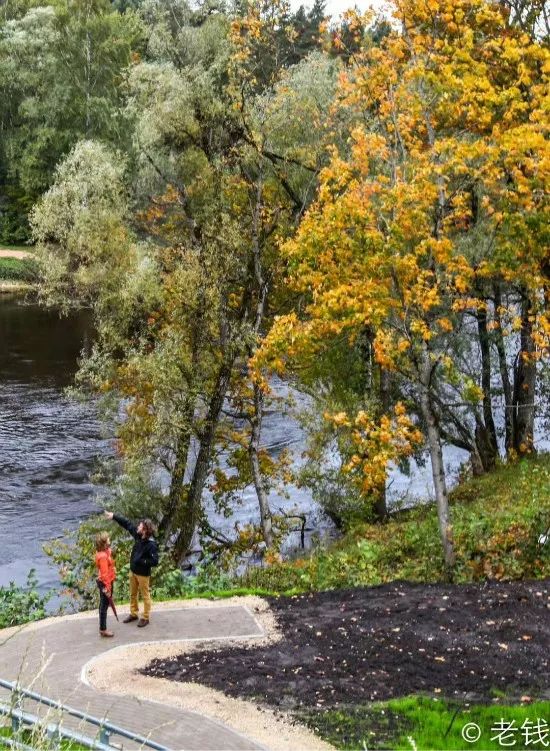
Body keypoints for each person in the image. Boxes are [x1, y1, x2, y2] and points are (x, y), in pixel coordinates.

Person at [104, 511, 159, 627]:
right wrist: (114, 516)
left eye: (140, 526)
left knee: (145, 596)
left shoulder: (151, 544)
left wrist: (141, 561)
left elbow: (155, 562)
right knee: (133, 594)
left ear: (144, 529)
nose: (137, 526)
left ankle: (145, 617)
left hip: (143, 575)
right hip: (133, 571)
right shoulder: (138, 536)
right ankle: (134, 614)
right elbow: (127, 524)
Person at [95, 531, 116, 638]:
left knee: (103, 605)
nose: (109, 539)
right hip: (105, 583)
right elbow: (104, 574)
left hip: (104, 582)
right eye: (108, 539)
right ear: (104, 543)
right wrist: (108, 589)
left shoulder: (104, 552)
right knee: (104, 606)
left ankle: (102, 628)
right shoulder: (102, 556)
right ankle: (103, 629)